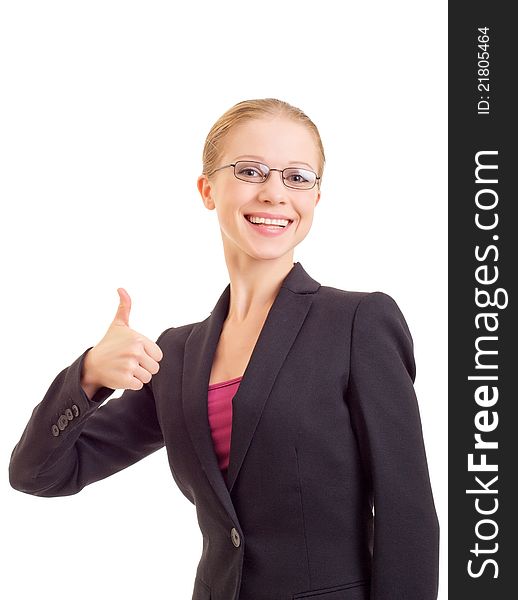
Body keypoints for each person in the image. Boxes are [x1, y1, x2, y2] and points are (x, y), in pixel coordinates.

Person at [9, 98, 440, 600]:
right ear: (207, 189)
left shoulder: (358, 323)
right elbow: (39, 474)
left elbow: (407, 513)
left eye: (298, 177)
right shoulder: (179, 355)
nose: (275, 193)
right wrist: (87, 377)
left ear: (317, 196)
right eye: (251, 170)